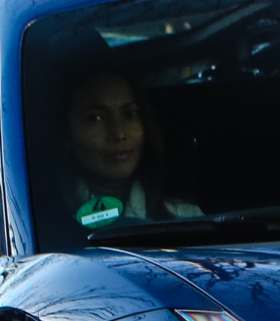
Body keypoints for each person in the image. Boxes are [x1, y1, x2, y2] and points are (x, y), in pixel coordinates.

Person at [61, 71, 197, 228]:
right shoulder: (42, 226)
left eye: (130, 114)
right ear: (65, 135)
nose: (119, 133)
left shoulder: (187, 218)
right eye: (96, 118)